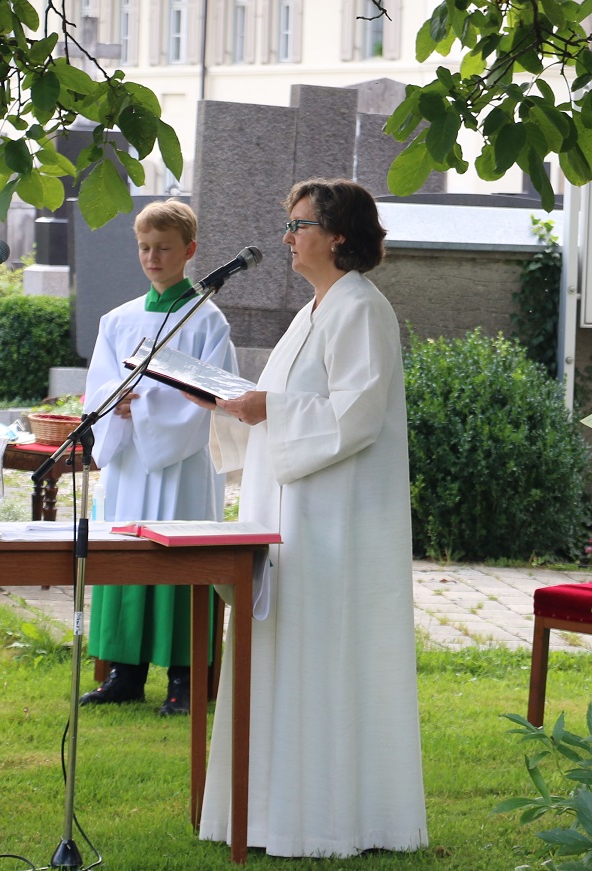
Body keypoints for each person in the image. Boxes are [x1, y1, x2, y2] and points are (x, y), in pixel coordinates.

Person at [192, 178, 427, 858]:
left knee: (323, 655)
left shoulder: (360, 308)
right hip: (288, 509)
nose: (289, 236)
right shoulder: (314, 309)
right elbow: (288, 401)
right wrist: (240, 404)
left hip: (334, 519)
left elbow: (356, 415)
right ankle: (266, 812)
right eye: (289, 223)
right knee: (278, 651)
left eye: (301, 224)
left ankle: (327, 818)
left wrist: (272, 409)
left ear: (340, 236)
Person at [79, 199, 238, 716]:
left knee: (179, 561)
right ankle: (123, 673)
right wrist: (113, 402)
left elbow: (214, 395)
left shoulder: (207, 320)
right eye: (145, 247)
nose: (153, 257)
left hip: (181, 463)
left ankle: (185, 678)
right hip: (129, 461)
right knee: (126, 558)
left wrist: (146, 410)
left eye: (164, 248)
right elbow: (98, 385)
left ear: (189, 251)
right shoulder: (118, 319)